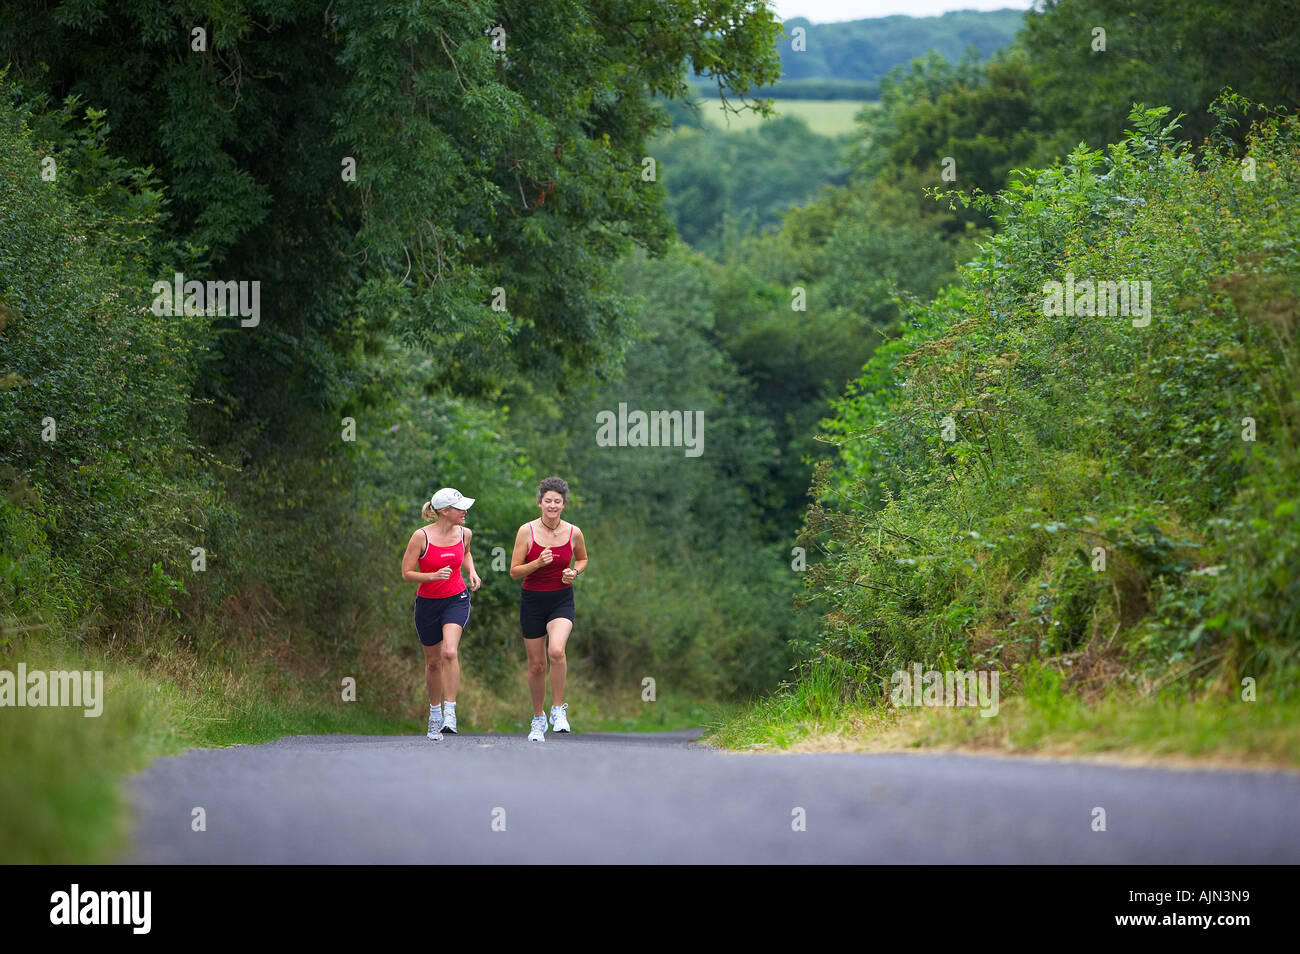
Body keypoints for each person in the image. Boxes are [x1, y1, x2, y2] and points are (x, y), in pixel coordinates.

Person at [509, 476, 588, 742]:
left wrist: (574, 572)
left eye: (557, 501)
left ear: (564, 504)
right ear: (539, 503)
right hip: (532, 600)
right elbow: (514, 572)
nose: (552, 506)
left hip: (561, 600)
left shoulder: (573, 532)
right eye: (548, 501)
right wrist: (537, 564)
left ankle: (557, 710)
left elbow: (583, 558)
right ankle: (537, 718)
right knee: (536, 665)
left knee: (556, 650)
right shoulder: (526, 531)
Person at [401, 487, 480, 741]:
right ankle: (434, 713)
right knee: (433, 662)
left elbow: (465, 553)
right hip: (427, 603)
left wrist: (472, 571)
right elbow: (406, 573)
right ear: (445, 512)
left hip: (456, 599)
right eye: (460, 508)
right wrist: (431, 576)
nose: (465, 512)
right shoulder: (420, 537)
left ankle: (450, 712)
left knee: (449, 652)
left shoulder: (464, 533)